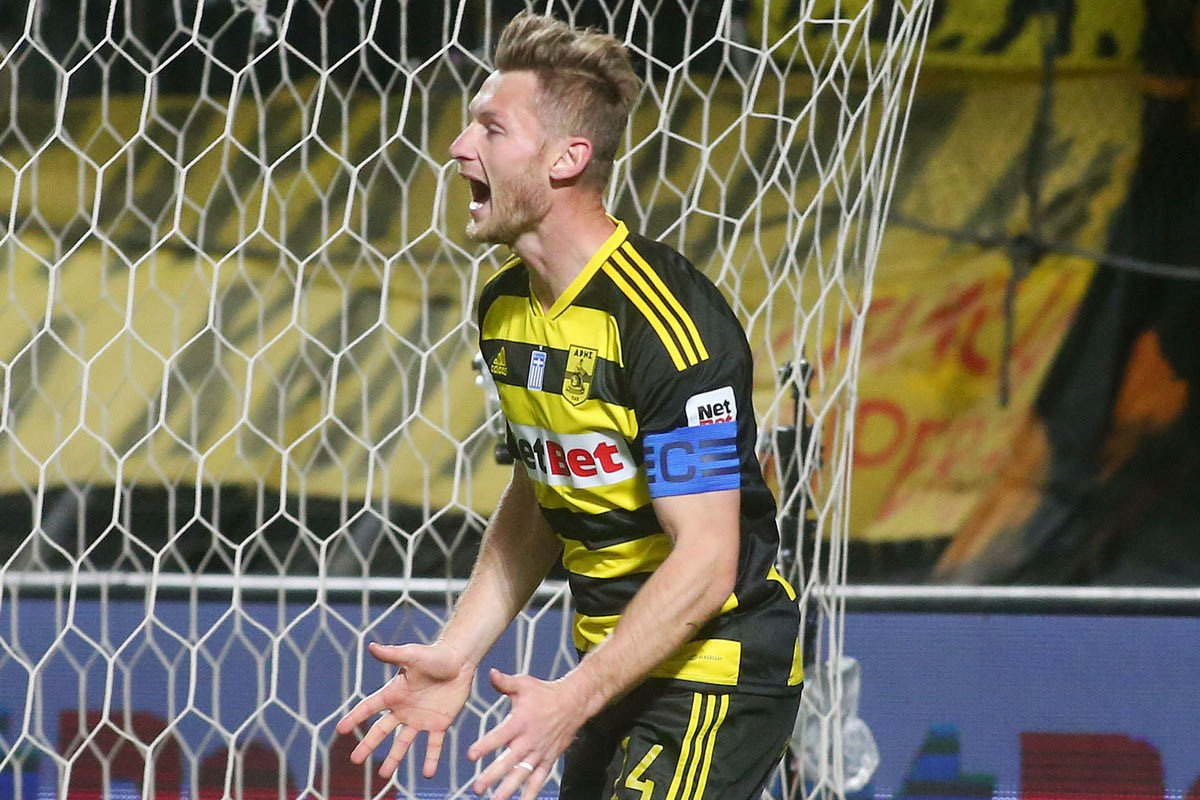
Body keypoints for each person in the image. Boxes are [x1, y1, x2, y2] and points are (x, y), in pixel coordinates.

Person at [336, 12, 803, 800]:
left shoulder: (665, 324)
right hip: (612, 669)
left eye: (491, 128)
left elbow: (706, 559)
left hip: (715, 670)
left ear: (567, 158)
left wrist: (572, 699)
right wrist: (459, 651)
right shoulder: (504, 310)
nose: (458, 148)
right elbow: (544, 492)